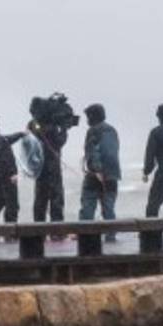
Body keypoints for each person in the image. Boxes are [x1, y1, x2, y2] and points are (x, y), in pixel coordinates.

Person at [79, 103, 121, 241]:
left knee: (88, 206)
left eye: (87, 116)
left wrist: (97, 169)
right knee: (109, 207)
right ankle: (111, 236)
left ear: (92, 116)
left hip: (95, 176)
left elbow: (93, 151)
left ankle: (86, 236)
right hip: (113, 175)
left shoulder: (93, 131)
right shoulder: (113, 130)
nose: (86, 120)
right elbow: (113, 152)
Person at [31, 118, 69, 226]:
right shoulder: (51, 129)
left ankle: (38, 229)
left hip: (39, 170)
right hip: (53, 169)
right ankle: (56, 231)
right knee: (56, 199)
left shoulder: (34, 125)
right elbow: (59, 142)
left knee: (40, 200)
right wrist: (64, 129)